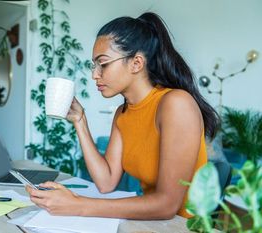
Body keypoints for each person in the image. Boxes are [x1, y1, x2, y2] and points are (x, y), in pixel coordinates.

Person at [26, 12, 219, 219]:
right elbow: (106, 182)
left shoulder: (176, 104)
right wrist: (80, 121)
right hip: (150, 226)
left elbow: (167, 205)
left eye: (104, 63)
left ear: (136, 63)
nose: (94, 74)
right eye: (94, 65)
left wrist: (78, 205)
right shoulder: (123, 113)